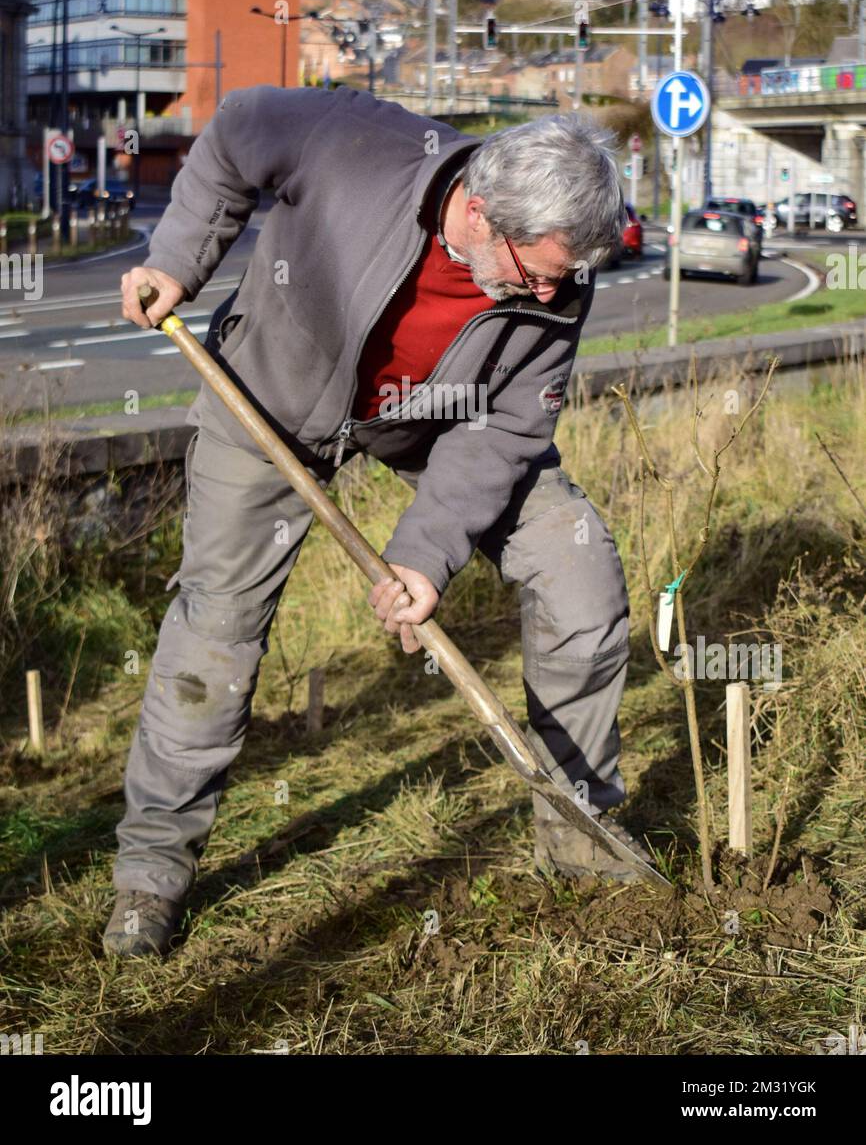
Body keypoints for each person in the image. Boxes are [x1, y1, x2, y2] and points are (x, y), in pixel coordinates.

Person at [104, 85, 655, 957]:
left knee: (578, 573)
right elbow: (236, 133)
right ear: (477, 211)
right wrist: (177, 259)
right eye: (537, 271)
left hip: (437, 421)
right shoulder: (348, 143)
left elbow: (507, 425)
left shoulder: (560, 273)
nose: (553, 291)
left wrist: (426, 558)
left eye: (566, 275)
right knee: (218, 625)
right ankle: (150, 876)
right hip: (271, 402)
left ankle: (586, 850)